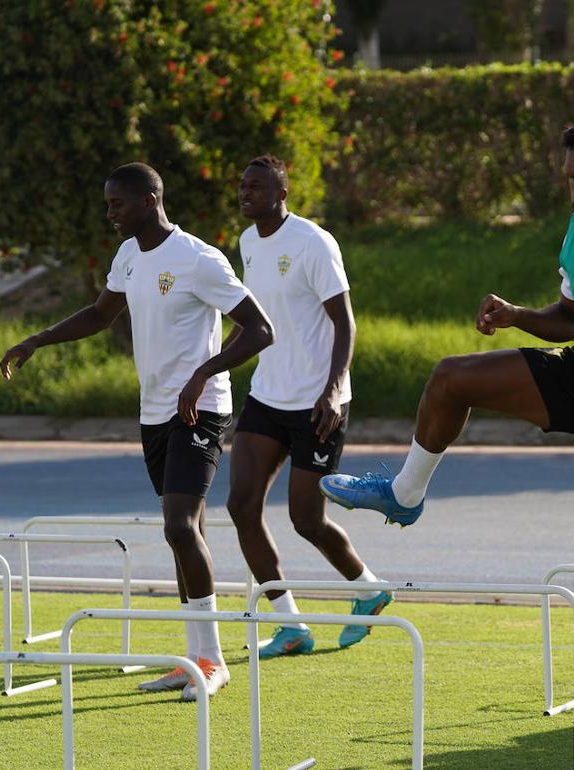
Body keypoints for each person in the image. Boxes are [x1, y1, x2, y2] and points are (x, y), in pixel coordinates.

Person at [319, 107, 574, 770]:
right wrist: (519, 316)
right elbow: (572, 318)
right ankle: (404, 493)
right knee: (452, 378)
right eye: (570, 178)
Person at [0, 162, 274, 700]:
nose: (109, 214)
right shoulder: (128, 255)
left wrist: (203, 373)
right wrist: (37, 339)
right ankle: (196, 657)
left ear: (150, 201)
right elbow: (101, 315)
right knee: (183, 532)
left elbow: (260, 329)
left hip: (201, 410)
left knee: (178, 526)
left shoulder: (198, 259)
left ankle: (213, 663)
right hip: (153, 412)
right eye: (107, 205)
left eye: (116, 205)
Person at [226, 155, 391, 659]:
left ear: (282, 193)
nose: (245, 192)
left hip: (319, 403)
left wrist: (333, 387)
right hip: (267, 394)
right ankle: (290, 624)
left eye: (256, 186)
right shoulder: (248, 243)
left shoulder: (314, 242)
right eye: (242, 185)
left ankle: (367, 589)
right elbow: (260, 319)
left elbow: (346, 323)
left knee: (305, 519)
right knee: (240, 506)